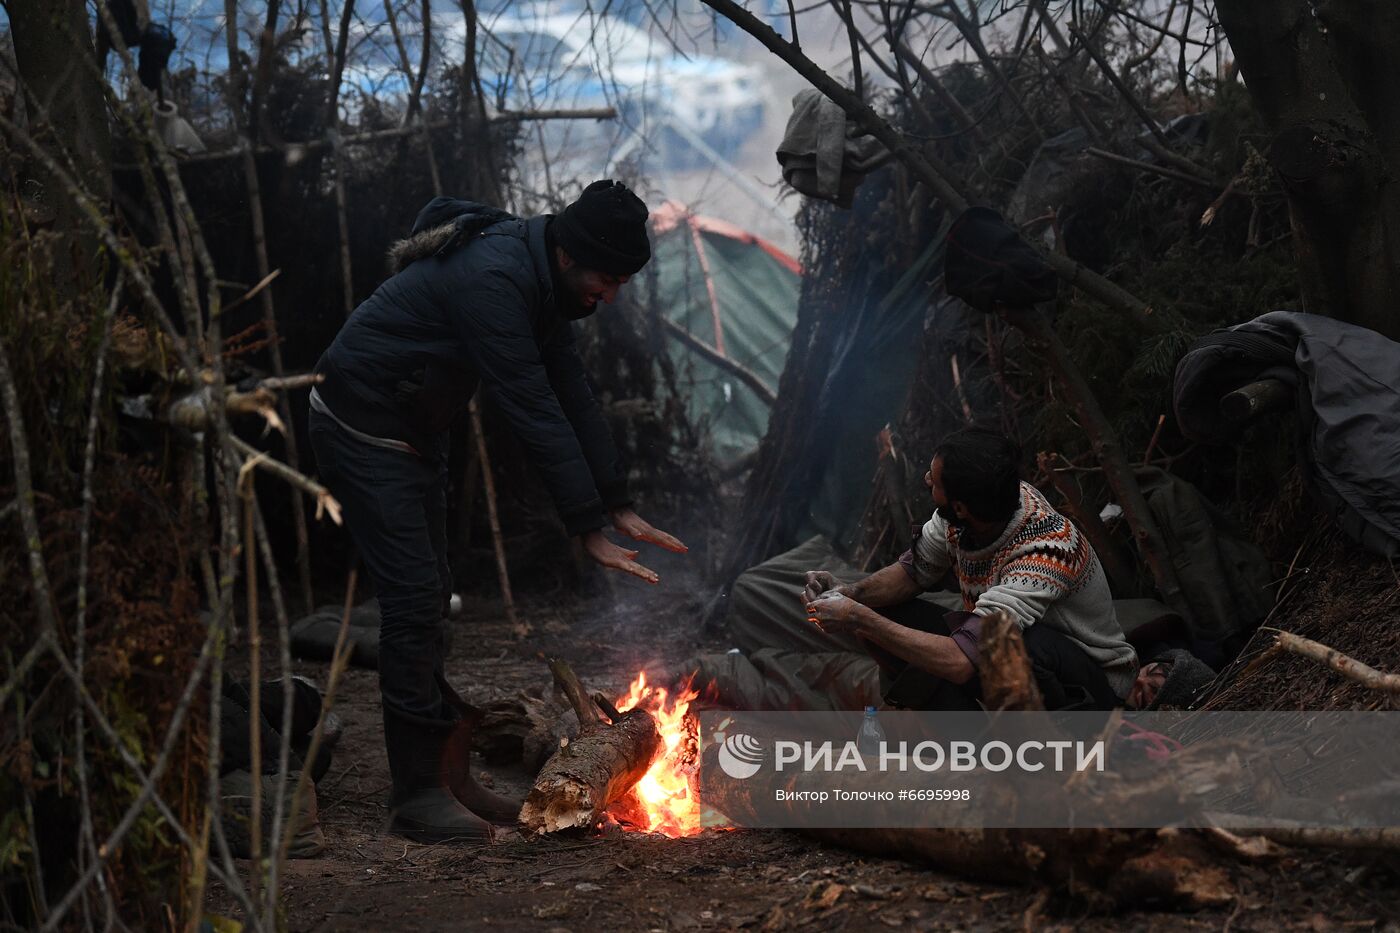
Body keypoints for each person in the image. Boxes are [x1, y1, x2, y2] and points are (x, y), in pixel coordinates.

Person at [308, 180, 687, 843]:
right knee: (414, 597)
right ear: (573, 253)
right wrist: (584, 526)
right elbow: (531, 404)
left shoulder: (545, 279)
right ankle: (417, 792)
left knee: (431, 599)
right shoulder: (495, 280)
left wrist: (615, 500)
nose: (612, 294)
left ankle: (446, 774)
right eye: (608, 277)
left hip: (417, 426)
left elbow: (571, 386)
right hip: (362, 422)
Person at [802, 426, 1136, 711]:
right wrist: (850, 593)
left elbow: (962, 663)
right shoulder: (976, 509)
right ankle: (963, 744)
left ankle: (1033, 759)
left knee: (1018, 643)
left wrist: (856, 615)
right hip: (1019, 660)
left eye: (934, 483)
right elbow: (913, 572)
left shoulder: (1044, 554)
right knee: (887, 614)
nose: (925, 480)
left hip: (1093, 690)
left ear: (960, 506)